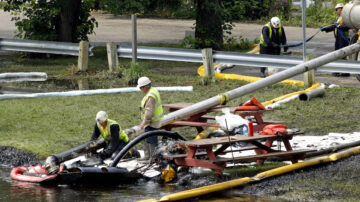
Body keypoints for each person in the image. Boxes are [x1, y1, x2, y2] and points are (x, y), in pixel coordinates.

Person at [137, 76, 164, 160]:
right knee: (146, 138)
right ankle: (148, 157)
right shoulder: (153, 90)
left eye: (141, 88)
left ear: (145, 87)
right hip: (153, 121)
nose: (141, 90)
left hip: (152, 122)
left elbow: (149, 112)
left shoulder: (151, 96)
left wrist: (144, 122)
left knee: (151, 140)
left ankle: (152, 159)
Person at [321, 3, 351, 77]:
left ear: (341, 9)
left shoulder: (346, 18)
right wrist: (325, 28)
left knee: (343, 55)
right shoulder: (339, 18)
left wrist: (339, 26)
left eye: (336, 9)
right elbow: (334, 26)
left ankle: (345, 72)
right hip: (338, 39)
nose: (336, 11)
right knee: (337, 55)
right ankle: (337, 70)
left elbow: (348, 26)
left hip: (344, 39)